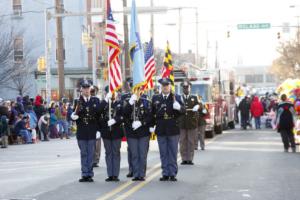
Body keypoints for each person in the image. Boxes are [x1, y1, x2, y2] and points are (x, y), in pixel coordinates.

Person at [151, 78, 185, 181]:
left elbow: (183, 111)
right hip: (161, 128)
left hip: (173, 128)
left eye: (167, 85)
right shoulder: (155, 98)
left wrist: (178, 107)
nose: (165, 87)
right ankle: (165, 173)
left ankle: (173, 173)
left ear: (170, 86)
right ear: (161, 87)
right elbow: (152, 113)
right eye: (163, 86)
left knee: (173, 152)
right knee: (163, 152)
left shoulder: (176, 97)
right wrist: (151, 126)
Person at [71, 79, 101, 183]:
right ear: (81, 90)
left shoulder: (95, 100)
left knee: (91, 153)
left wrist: (98, 130)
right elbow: (72, 114)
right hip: (82, 131)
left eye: (88, 88)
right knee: (84, 153)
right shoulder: (77, 101)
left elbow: (98, 117)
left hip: (92, 131)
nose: (86, 90)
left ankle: (90, 174)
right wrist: (72, 116)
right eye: (84, 88)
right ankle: (84, 174)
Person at [123, 89, 152, 181]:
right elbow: (123, 114)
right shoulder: (128, 101)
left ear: (141, 91)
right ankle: (136, 174)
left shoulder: (146, 101)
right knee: (134, 154)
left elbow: (150, 116)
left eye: (139, 90)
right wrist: (130, 103)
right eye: (135, 90)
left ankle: (141, 174)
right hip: (131, 132)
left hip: (143, 131)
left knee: (142, 154)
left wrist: (142, 123)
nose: (137, 92)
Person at [99, 86, 124, 182]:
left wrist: (115, 120)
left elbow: (123, 116)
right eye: (110, 92)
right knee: (108, 153)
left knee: (116, 153)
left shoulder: (120, 104)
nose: (113, 94)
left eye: (114, 92)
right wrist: (106, 100)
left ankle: (115, 175)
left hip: (116, 131)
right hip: (106, 132)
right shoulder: (104, 104)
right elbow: (98, 112)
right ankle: (110, 174)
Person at [179, 80, 200, 165]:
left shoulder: (194, 97)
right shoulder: (179, 98)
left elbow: (200, 105)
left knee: (191, 142)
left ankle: (190, 159)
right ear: (182, 89)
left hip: (191, 123)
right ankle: (184, 158)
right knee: (183, 142)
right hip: (182, 123)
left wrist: (198, 106)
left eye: (187, 88)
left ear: (190, 88)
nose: (186, 89)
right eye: (184, 88)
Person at [91, 86, 101, 168]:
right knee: (90, 144)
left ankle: (96, 160)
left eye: (94, 91)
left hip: (96, 125)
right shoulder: (85, 100)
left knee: (97, 145)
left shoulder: (97, 100)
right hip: (89, 126)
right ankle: (91, 159)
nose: (93, 92)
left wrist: (99, 128)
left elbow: (100, 113)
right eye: (92, 91)